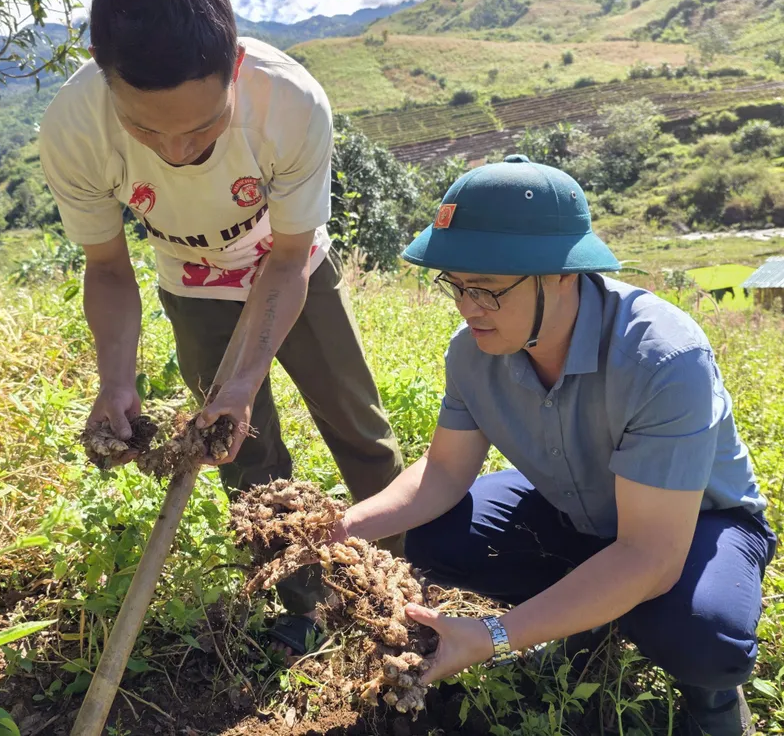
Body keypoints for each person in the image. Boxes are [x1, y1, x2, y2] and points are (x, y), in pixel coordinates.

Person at [329, 154, 775, 736]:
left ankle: (713, 703)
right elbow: (441, 474)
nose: (467, 308)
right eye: (456, 286)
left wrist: (495, 635)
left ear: (564, 273)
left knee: (706, 635)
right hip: (572, 503)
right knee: (438, 537)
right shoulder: (474, 350)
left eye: (487, 290)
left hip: (694, 525)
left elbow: (649, 555)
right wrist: (340, 528)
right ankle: (577, 624)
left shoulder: (662, 356)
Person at [38, 0, 403, 650]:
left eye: (202, 128)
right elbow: (110, 268)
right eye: (146, 130)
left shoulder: (288, 103)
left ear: (234, 64)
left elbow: (288, 260)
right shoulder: (74, 128)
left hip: (295, 268)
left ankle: (398, 581)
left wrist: (245, 376)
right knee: (241, 451)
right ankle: (300, 608)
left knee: (359, 429)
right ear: (102, 69)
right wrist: (117, 383)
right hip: (194, 286)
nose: (175, 152)